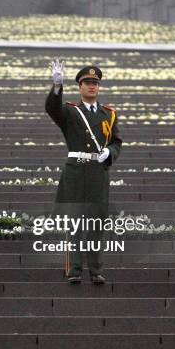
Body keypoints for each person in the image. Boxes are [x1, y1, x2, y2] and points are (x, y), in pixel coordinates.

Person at [45, 60, 122, 284]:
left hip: (98, 171)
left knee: (97, 222)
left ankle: (96, 270)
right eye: (87, 82)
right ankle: (74, 270)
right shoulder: (70, 110)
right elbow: (52, 109)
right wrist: (57, 87)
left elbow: (117, 141)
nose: (91, 86)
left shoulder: (109, 114)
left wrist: (110, 153)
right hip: (76, 171)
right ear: (79, 86)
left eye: (95, 83)